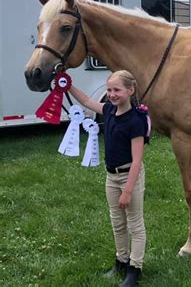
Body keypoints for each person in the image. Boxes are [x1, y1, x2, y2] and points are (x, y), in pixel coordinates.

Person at [69, 70, 149, 287]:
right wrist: (68, 86)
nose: (112, 94)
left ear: (130, 91)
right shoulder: (109, 110)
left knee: (135, 224)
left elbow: (137, 160)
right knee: (117, 222)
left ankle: (135, 268)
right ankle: (121, 261)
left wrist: (128, 190)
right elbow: (86, 100)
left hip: (128, 177)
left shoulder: (136, 121)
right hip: (111, 177)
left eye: (117, 90)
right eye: (109, 89)